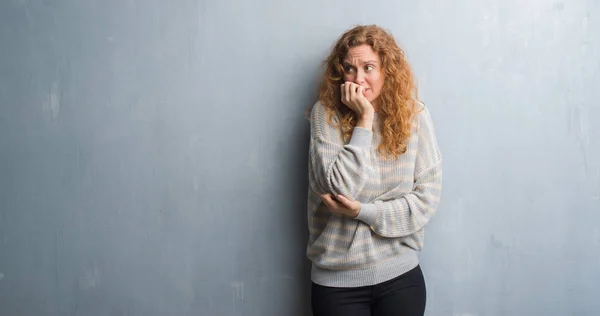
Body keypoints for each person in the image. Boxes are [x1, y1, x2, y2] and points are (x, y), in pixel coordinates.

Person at [305, 24, 443, 316]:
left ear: (386, 69)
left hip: (400, 277)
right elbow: (341, 189)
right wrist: (365, 118)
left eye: (368, 67)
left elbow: (426, 200)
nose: (359, 79)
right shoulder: (325, 115)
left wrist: (362, 212)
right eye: (349, 69)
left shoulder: (414, 115)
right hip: (337, 282)